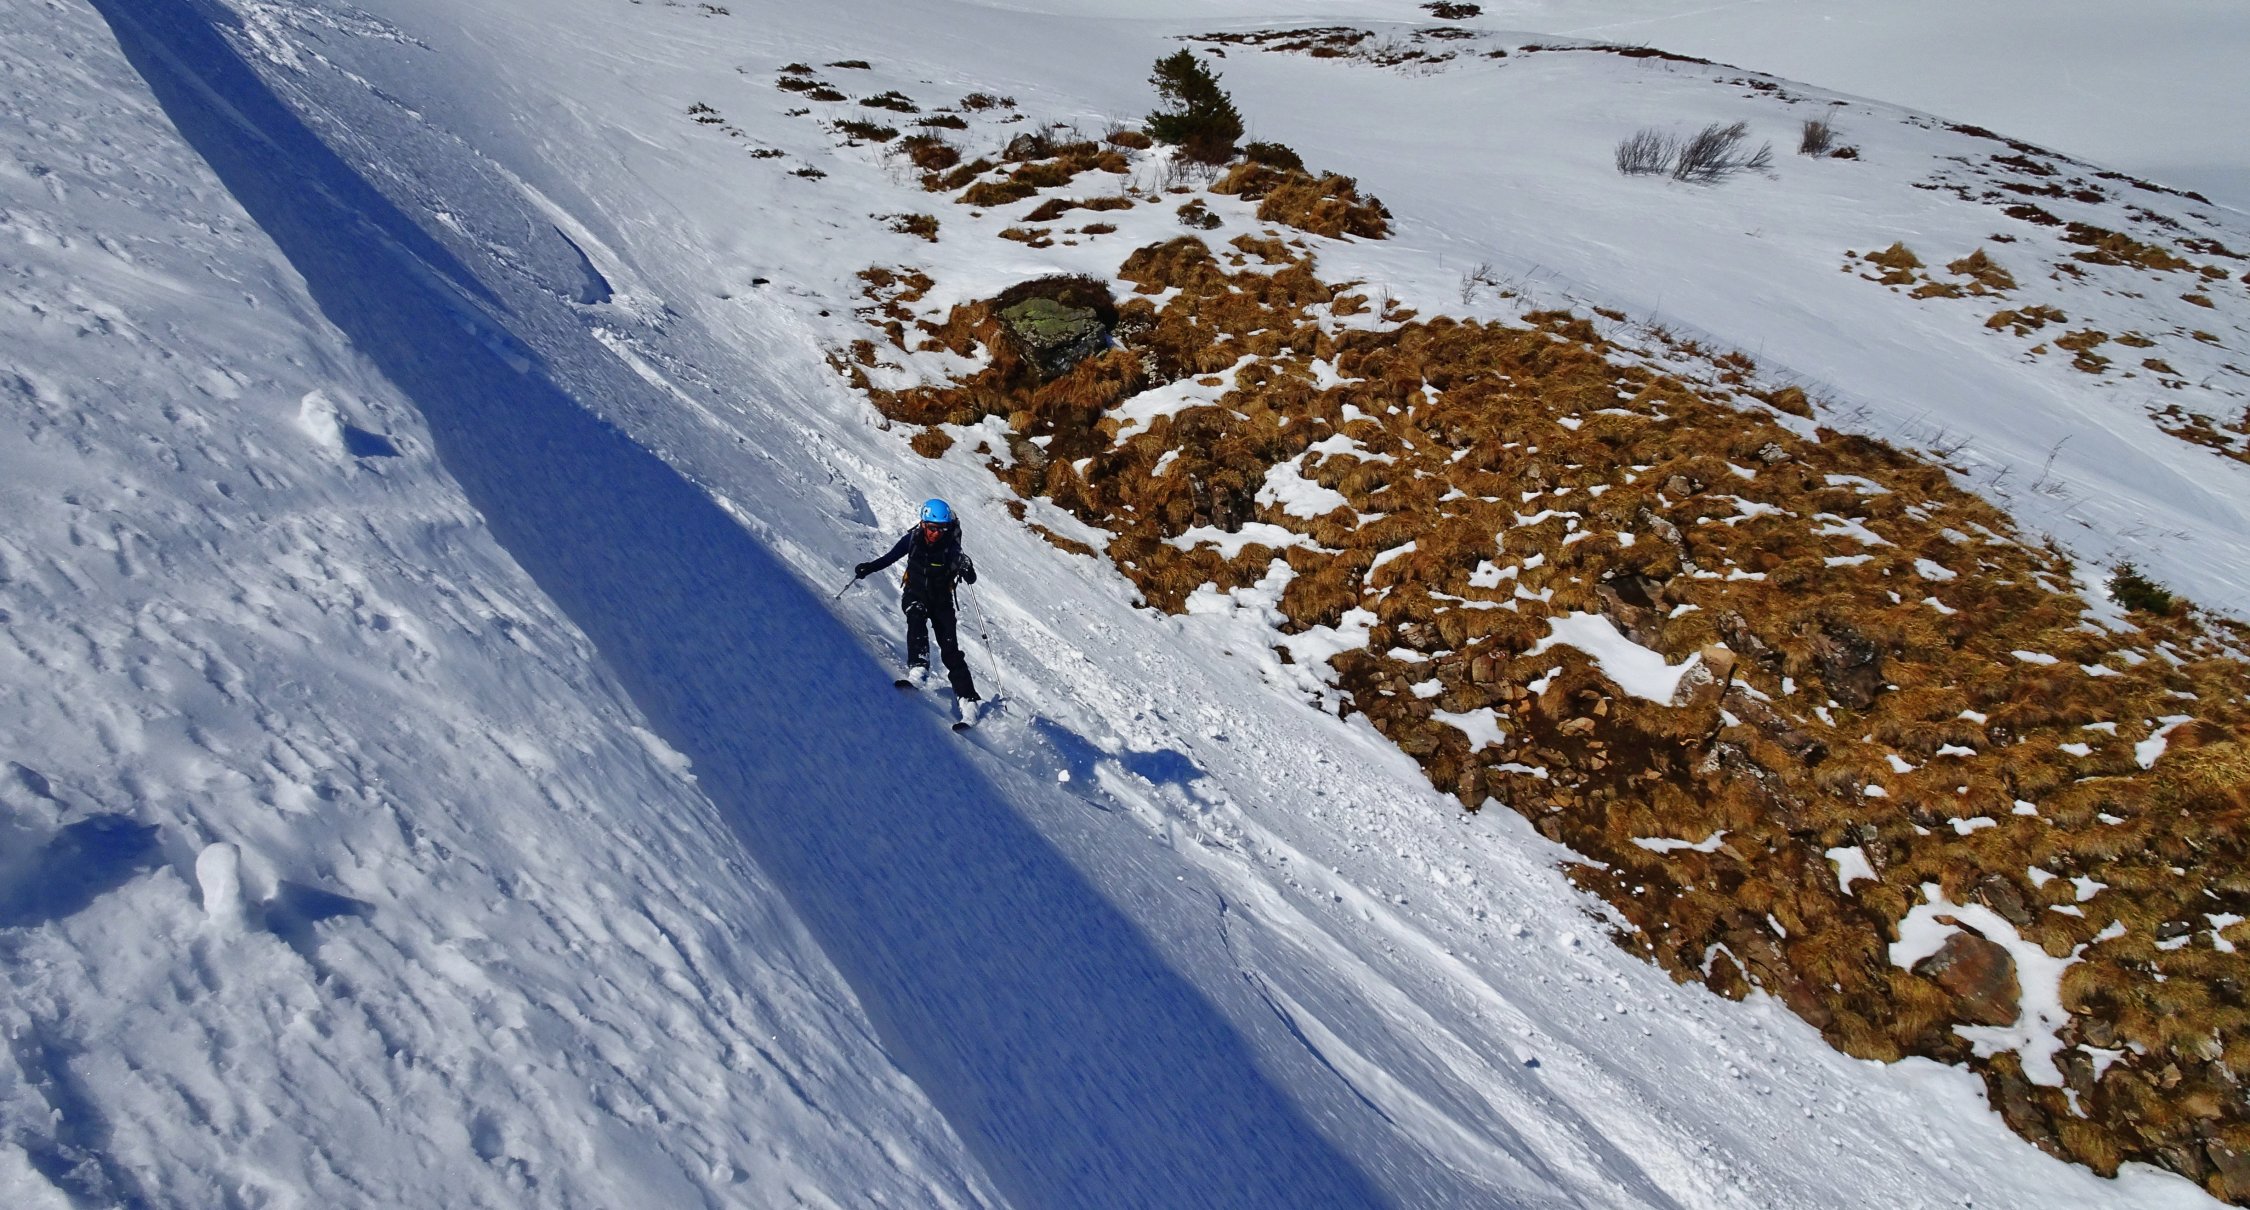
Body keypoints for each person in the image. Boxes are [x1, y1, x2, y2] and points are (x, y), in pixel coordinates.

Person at [855, 499, 980, 700]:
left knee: (950, 650)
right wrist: (868, 568)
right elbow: (890, 557)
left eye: (942, 529)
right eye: (932, 528)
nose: (936, 533)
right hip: (915, 592)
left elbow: (968, 574)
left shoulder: (950, 547)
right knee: (915, 615)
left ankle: (968, 699)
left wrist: (967, 568)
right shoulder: (912, 539)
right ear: (923, 523)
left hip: (942, 601)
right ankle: (918, 668)